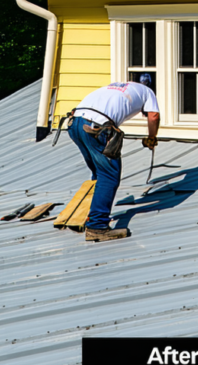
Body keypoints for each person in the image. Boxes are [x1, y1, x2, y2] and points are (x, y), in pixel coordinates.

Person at [67, 74, 160, 242]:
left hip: (74, 123)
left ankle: (88, 214)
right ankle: (97, 226)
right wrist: (151, 137)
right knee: (109, 175)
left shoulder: (116, 87)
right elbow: (153, 116)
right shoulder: (147, 92)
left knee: (98, 172)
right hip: (96, 127)